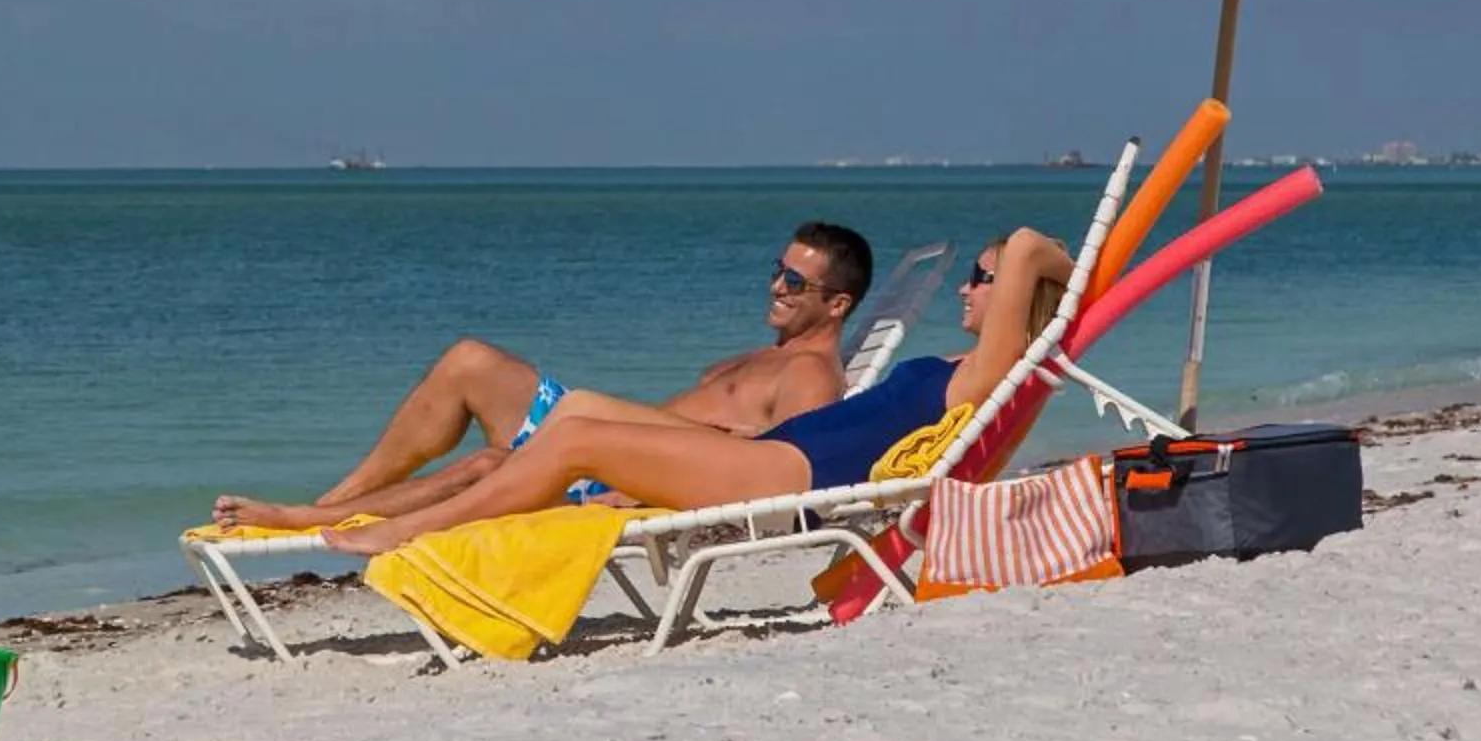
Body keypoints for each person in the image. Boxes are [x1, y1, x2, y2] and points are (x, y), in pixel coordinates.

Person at [321, 229, 1072, 557]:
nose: (971, 287)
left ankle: (406, 532)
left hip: (791, 475)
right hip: (783, 458)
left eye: (985, 276)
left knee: (576, 437)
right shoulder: (953, 364)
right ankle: (358, 514)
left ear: (1016, 296)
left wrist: (1066, 278)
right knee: (576, 413)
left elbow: (1034, 243)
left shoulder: (985, 375)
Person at [211, 222, 874, 533]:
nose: (776, 287)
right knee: (470, 360)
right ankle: (335, 501)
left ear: (837, 304)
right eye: (777, 270)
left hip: (618, 472)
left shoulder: (811, 373)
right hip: (599, 446)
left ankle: (309, 520)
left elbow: (784, 471)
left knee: (489, 464)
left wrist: (635, 492)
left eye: (794, 281)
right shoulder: (766, 353)